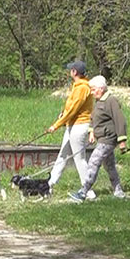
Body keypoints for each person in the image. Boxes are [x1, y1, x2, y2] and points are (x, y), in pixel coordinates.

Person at [70, 75, 128, 202]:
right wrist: (92, 133)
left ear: (101, 89)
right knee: (110, 166)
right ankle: (118, 191)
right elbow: (93, 118)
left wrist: (122, 141)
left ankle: (83, 192)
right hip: (101, 138)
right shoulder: (99, 101)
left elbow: (120, 120)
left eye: (93, 89)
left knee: (93, 162)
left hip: (108, 139)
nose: (91, 92)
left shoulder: (111, 101)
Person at [45, 60, 95, 197]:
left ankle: (88, 190)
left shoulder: (82, 88)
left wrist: (56, 125)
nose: (69, 72)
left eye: (71, 70)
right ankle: (49, 184)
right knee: (63, 155)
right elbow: (69, 107)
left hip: (79, 126)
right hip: (71, 125)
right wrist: (63, 115)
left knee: (79, 159)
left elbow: (73, 109)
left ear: (75, 72)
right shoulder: (77, 86)